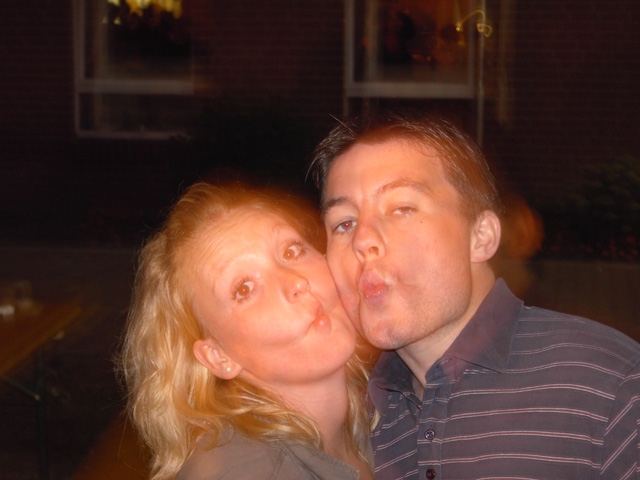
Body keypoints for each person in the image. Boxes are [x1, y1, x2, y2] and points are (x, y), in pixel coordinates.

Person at [309, 112, 640, 479]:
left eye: (402, 208)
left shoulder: (610, 385)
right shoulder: (352, 432)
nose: (362, 240)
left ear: (481, 237)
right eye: (344, 223)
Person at [120, 182, 374, 480]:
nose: (296, 282)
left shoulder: (387, 408)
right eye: (244, 289)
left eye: (291, 251)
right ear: (218, 356)